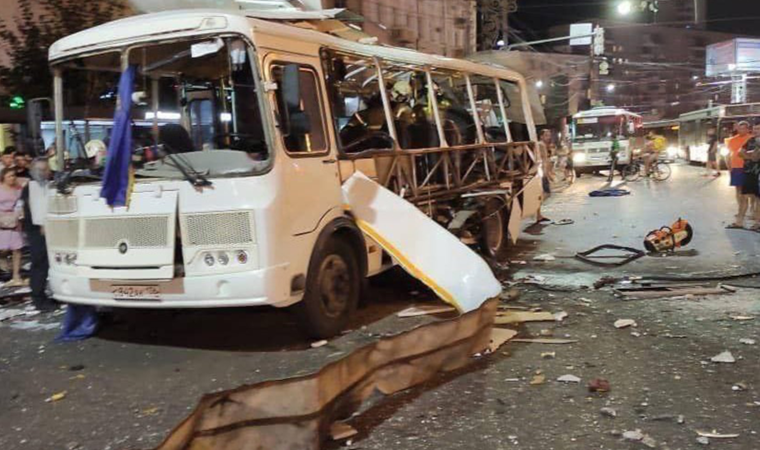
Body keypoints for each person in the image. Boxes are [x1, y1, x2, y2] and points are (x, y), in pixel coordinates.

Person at [21, 158, 55, 311]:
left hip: (46, 227)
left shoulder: (43, 185)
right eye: (46, 169)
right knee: (40, 263)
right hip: (37, 230)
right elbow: (34, 208)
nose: (49, 171)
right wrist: (42, 224)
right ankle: (38, 298)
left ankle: (42, 295)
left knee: (46, 263)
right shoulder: (31, 187)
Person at [0, 168, 26, 286]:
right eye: (9, 176)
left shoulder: (18, 189)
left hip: (15, 219)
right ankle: (3, 262)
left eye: (13, 176)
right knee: (3, 249)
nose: (12, 178)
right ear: (3, 177)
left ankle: (16, 275)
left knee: (17, 249)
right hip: (2, 220)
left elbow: (21, 202)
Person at [725, 121, 753, 229]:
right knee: (739, 191)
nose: (741, 130)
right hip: (736, 168)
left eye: (744, 128)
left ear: (747, 129)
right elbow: (728, 154)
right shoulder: (732, 140)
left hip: (747, 169)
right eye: (740, 128)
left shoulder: (751, 139)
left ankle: (744, 215)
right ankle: (740, 211)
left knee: (747, 193)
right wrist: (729, 167)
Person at [535, 129, 553, 224]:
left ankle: (538, 214)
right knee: (546, 192)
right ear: (541, 136)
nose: (548, 137)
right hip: (542, 171)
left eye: (549, 135)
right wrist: (547, 173)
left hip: (542, 171)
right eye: (546, 135)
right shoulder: (540, 144)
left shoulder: (544, 145)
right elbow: (544, 159)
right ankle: (536, 210)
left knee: (543, 192)